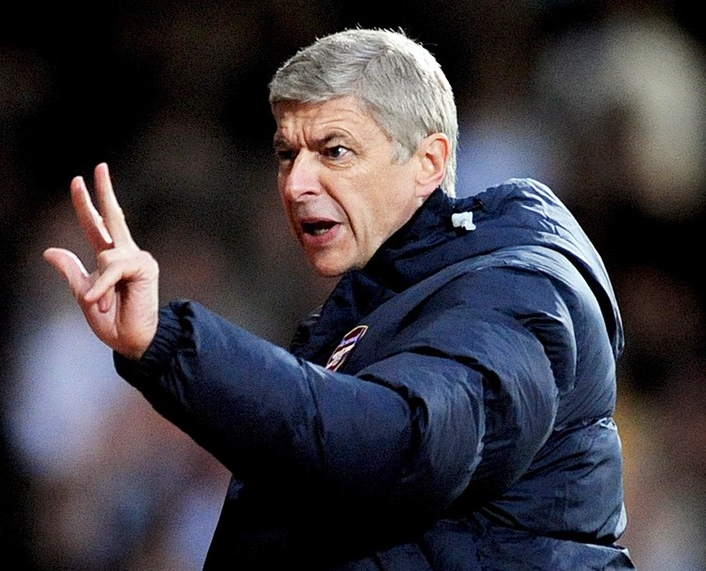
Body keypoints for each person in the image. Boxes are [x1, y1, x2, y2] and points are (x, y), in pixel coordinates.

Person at [44, 28, 634, 569]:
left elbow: (404, 446)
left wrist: (169, 344)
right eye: (286, 154)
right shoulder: (377, 306)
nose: (297, 183)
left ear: (429, 163)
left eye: (334, 151)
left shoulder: (514, 292)